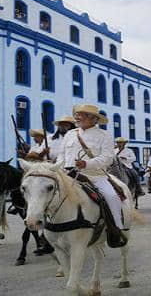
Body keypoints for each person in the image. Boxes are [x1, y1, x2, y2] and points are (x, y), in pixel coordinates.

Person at [56, 104, 127, 248]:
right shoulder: (70, 134)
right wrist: (55, 168)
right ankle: (47, 229)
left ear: (94, 119)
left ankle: (115, 229)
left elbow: (108, 158)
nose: (77, 117)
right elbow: (61, 156)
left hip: (94, 176)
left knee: (111, 196)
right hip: (67, 175)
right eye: (77, 114)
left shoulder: (104, 135)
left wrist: (86, 164)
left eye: (82, 114)